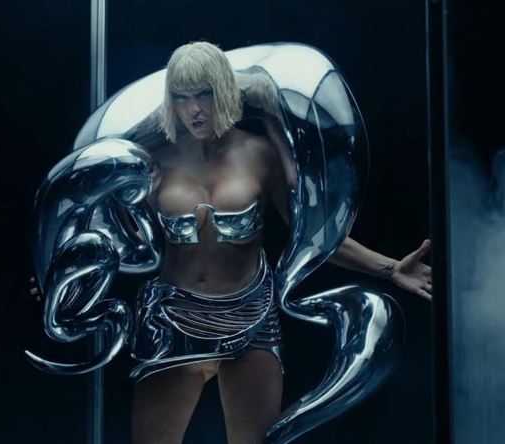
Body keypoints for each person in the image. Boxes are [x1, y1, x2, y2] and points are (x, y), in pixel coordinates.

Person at [31, 41, 432, 444]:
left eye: (203, 94)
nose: (194, 110)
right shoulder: (151, 161)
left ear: (224, 90)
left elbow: (313, 236)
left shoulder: (261, 154)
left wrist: (391, 268)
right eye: (181, 97)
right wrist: (62, 280)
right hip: (171, 319)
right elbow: (113, 238)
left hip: (252, 319)